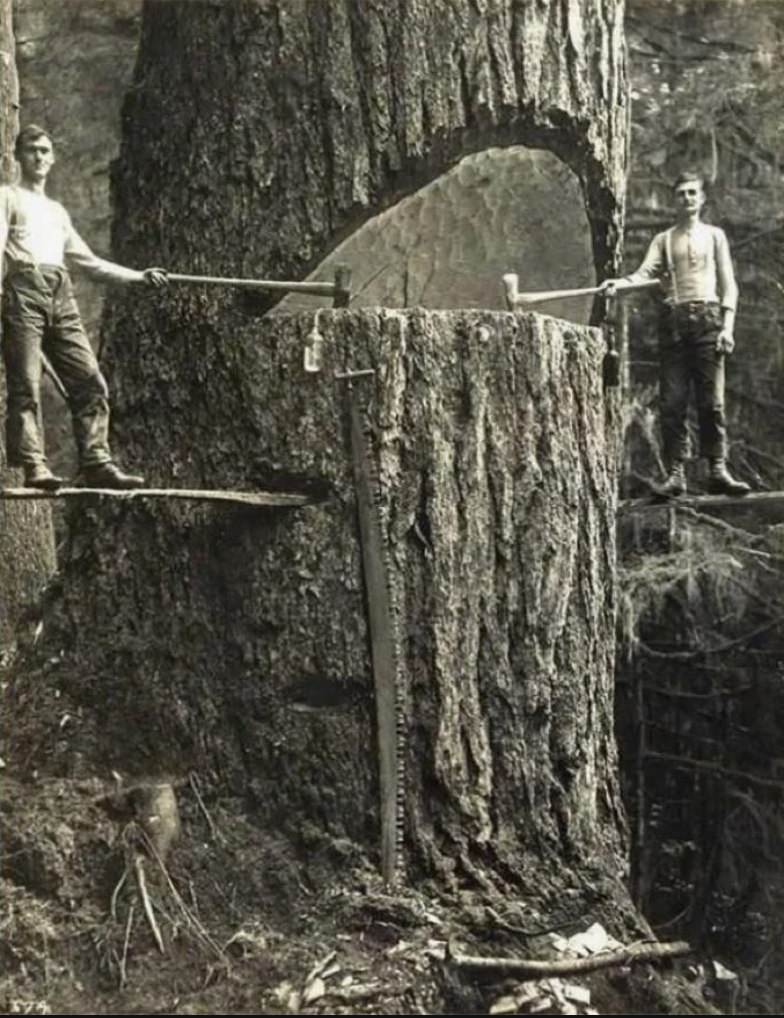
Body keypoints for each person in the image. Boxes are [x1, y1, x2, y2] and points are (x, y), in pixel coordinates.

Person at [0, 124, 168, 490]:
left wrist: (139, 277)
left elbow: (88, 262)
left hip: (61, 293)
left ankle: (96, 461)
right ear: (17, 156)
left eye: (45, 151)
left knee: (89, 379)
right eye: (31, 150)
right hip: (21, 291)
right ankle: (34, 466)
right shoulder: (7, 197)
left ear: (53, 158)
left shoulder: (56, 211)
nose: (39, 157)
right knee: (26, 384)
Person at [603, 170, 750, 497]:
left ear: (702, 198)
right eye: (681, 193)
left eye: (692, 193)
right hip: (674, 325)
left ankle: (717, 470)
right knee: (672, 403)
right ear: (674, 199)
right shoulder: (664, 240)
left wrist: (727, 327)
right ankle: (676, 475)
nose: (687, 199)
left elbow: (730, 285)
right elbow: (642, 275)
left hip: (709, 320)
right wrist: (618, 284)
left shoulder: (715, 236)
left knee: (711, 402)